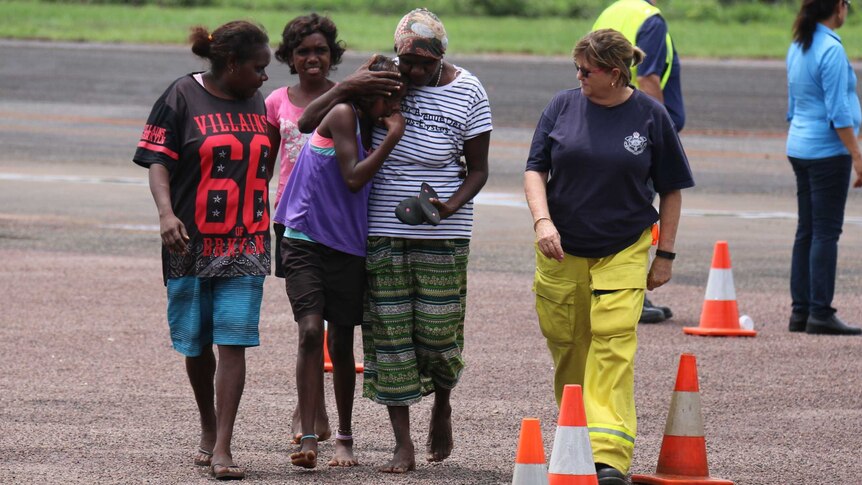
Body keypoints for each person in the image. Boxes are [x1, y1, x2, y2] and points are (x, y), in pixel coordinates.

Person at [297, 8, 492, 473]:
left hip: (444, 231)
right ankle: (401, 443)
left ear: (442, 57)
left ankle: (442, 405)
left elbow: (480, 168)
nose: (415, 74)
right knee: (389, 340)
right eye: (409, 64)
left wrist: (448, 206)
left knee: (439, 332)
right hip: (382, 230)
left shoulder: (469, 91)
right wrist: (351, 84)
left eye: (425, 65)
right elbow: (313, 122)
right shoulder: (382, 82)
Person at [524, 29, 693, 484]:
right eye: (575, 69)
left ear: (615, 74)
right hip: (561, 250)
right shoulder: (561, 107)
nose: (578, 76)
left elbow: (671, 190)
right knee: (569, 346)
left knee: (613, 342)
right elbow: (535, 170)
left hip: (623, 246)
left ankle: (609, 456)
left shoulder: (650, 116)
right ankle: (577, 439)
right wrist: (543, 222)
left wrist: (665, 255)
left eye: (586, 70)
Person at [133, 21, 272, 480]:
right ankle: (207, 425)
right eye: (258, 68)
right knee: (197, 344)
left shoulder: (260, 103)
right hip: (188, 241)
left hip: (247, 239)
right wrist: (165, 214)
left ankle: (224, 448)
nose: (265, 77)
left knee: (234, 342)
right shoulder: (181, 96)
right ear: (231, 64)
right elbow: (158, 162)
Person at [273, 54, 407, 469]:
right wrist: (393, 136)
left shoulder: (369, 121)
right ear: (372, 95)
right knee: (311, 331)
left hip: (348, 245)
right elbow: (352, 176)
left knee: (342, 343)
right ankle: (309, 435)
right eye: (392, 100)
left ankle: (344, 437)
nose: (397, 109)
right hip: (305, 237)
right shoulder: (345, 112)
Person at [265, 12, 345, 448]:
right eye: (303, 51)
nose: (312, 58)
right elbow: (263, 165)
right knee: (310, 326)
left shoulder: (346, 97)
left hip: (341, 225)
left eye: (320, 50)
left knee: (338, 324)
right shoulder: (276, 101)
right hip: (293, 224)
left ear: (332, 56)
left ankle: (322, 409)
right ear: (289, 57)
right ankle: (310, 410)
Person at [593, 0, 685, 324]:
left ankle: (600, 287)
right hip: (634, 133)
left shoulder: (612, 11)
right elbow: (648, 78)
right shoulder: (651, 19)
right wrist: (660, 134)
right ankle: (631, 293)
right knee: (636, 212)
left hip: (601, 125)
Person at [786, 0, 862, 335]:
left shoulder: (798, 43)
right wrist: (857, 155)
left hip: (800, 145)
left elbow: (793, 103)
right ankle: (821, 311)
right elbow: (838, 111)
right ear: (838, 8)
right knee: (826, 232)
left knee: (807, 230)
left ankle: (800, 312)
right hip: (827, 152)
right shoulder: (830, 49)